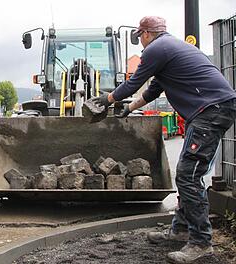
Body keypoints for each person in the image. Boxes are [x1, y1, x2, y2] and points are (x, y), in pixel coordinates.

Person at [93, 16, 236, 263]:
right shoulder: (171, 49)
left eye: (140, 37)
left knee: (188, 176)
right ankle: (181, 230)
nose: (141, 43)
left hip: (211, 110)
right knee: (187, 173)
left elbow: (132, 84)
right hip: (211, 108)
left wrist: (103, 102)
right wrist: (129, 109)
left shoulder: (157, 49)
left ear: (147, 33)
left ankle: (202, 243)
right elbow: (152, 90)